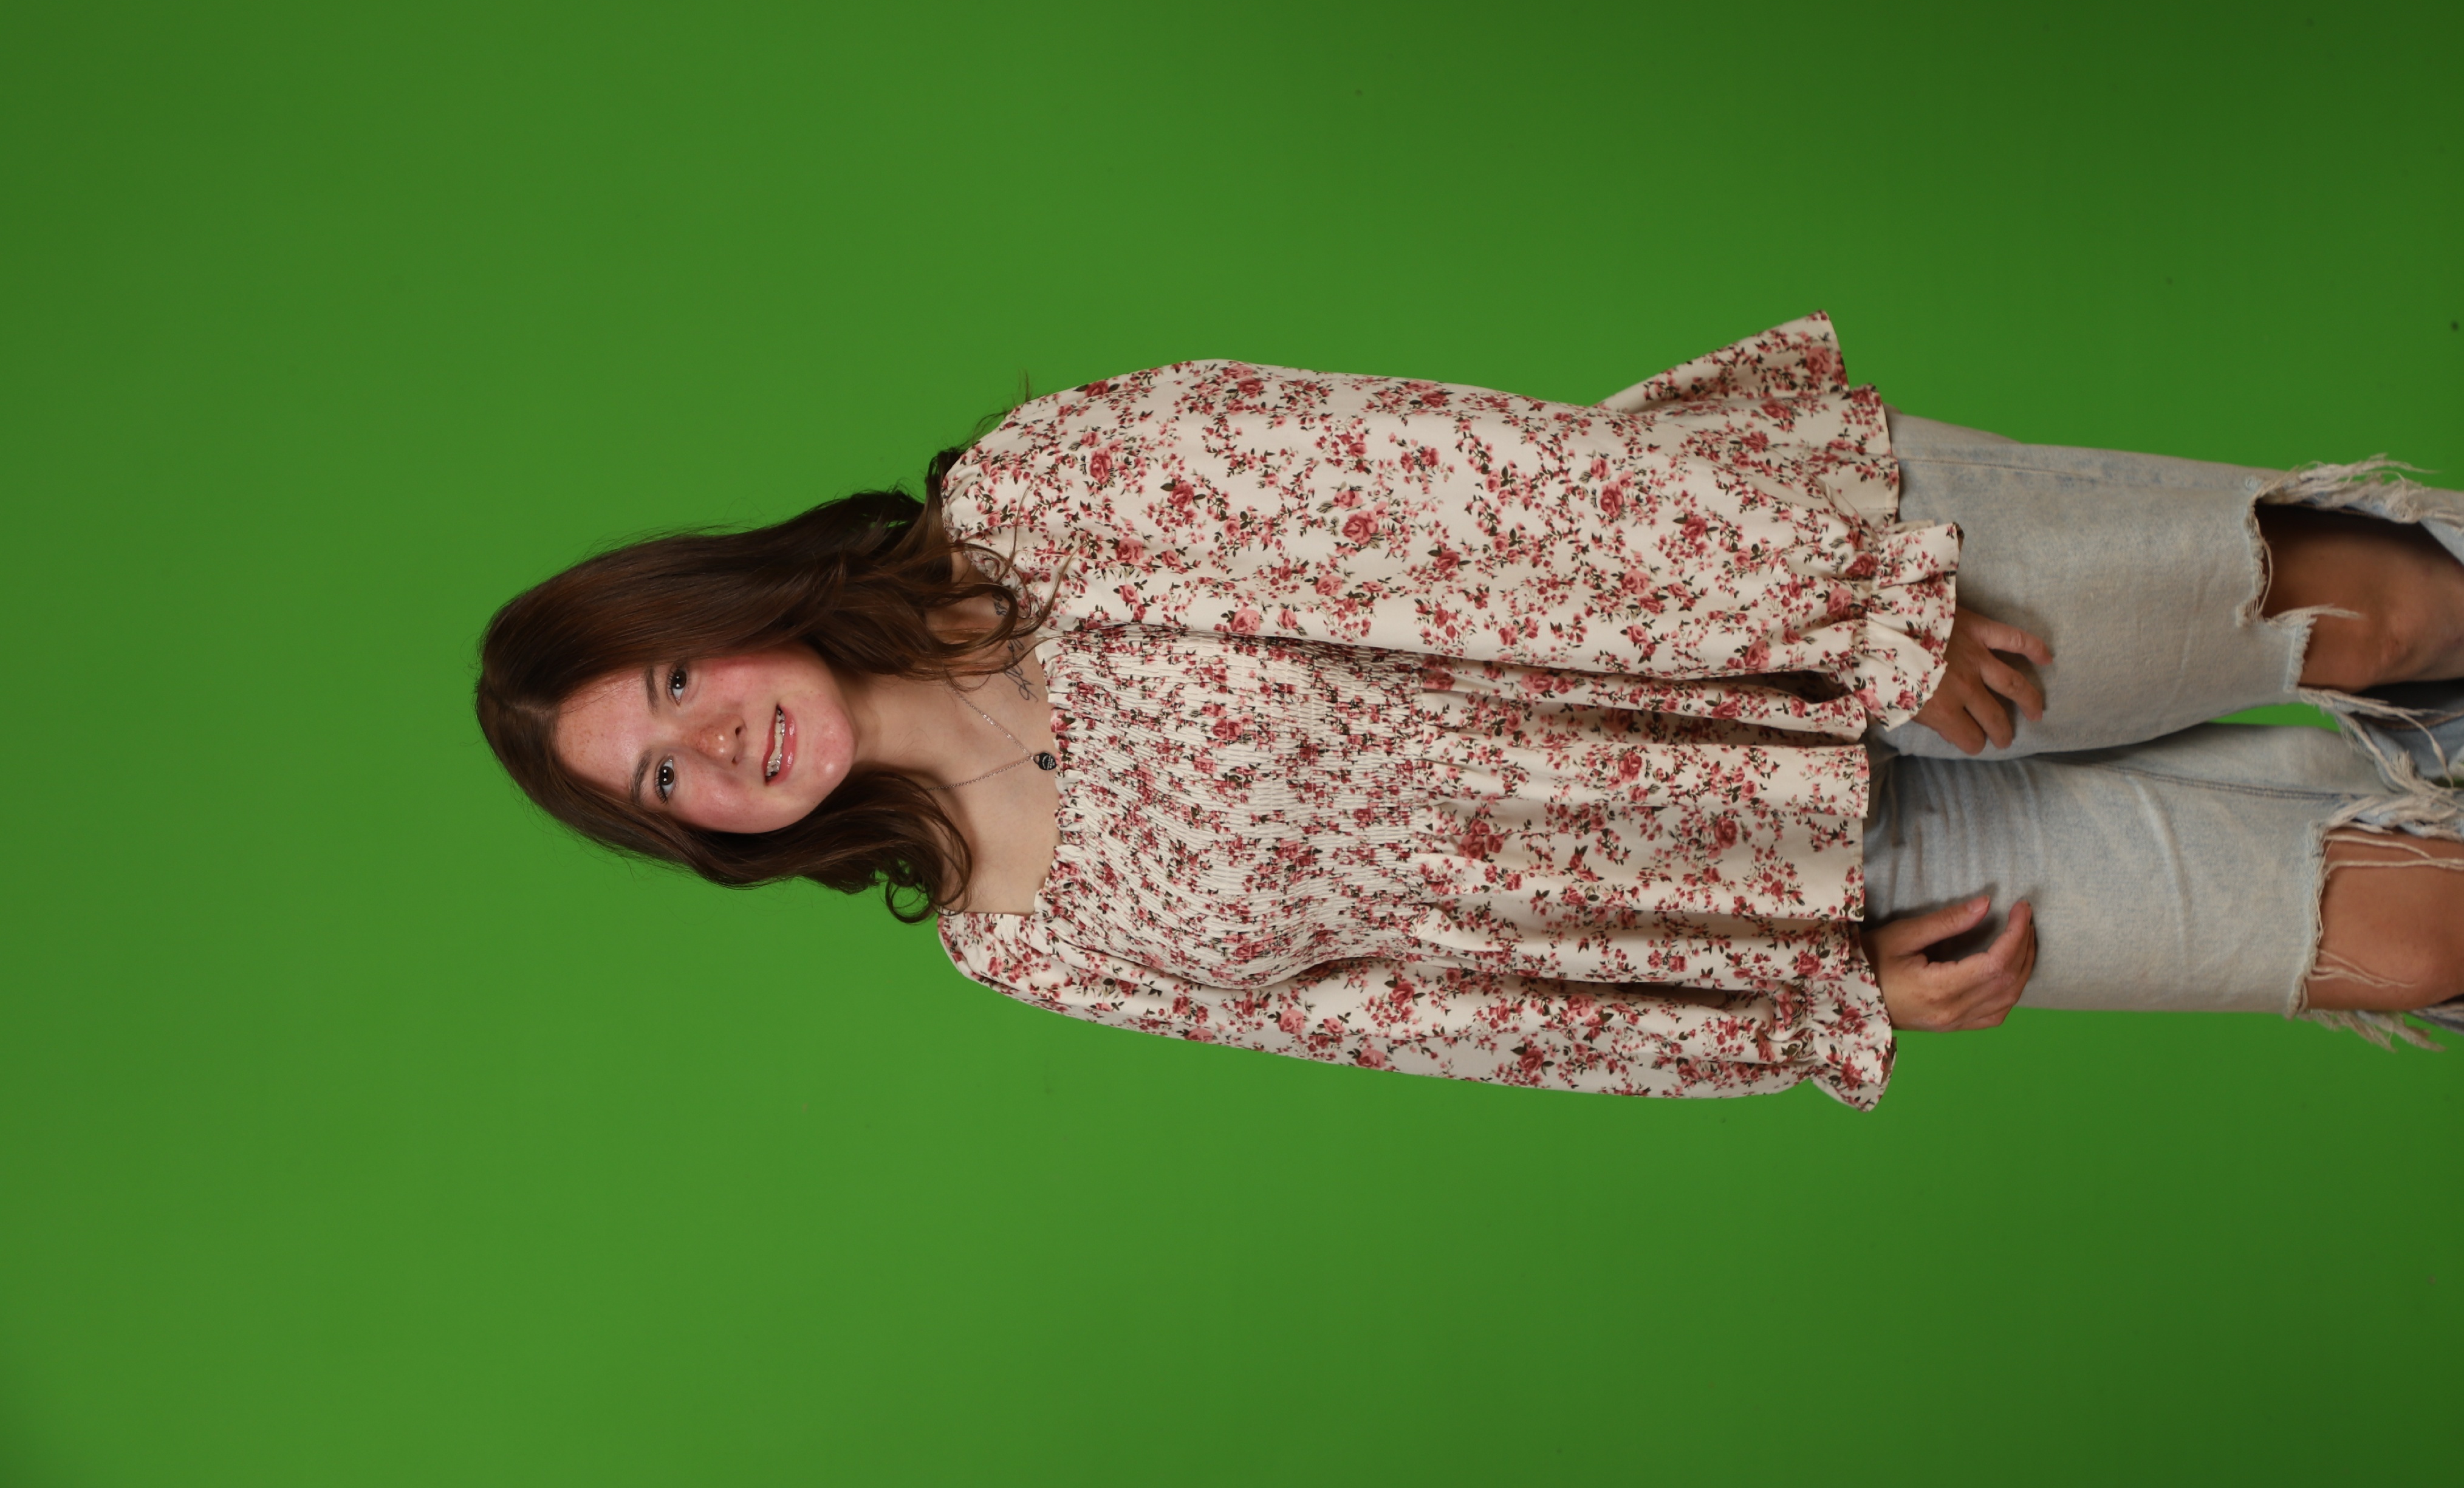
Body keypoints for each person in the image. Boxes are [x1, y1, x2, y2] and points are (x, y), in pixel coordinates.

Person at [476, 316, 2464, 1108]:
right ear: (697, 836)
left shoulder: (1043, 497)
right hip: (1800, 893)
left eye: (676, 682)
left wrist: (1841, 610)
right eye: (662, 781)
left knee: (2379, 621)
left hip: (1826, 586)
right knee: (2415, 944)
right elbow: (1434, 1018)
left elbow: (1482, 487)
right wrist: (1814, 1007)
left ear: (723, 609)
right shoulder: (1021, 941)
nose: (710, 745)